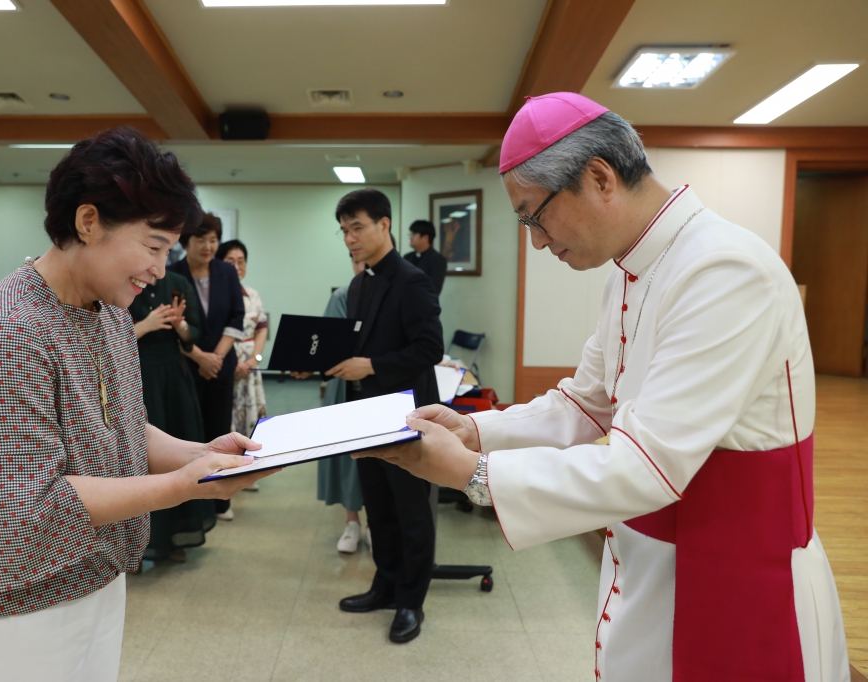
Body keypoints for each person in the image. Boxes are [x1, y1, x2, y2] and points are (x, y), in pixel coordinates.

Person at [358, 93, 849, 681]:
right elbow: (585, 403)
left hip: (736, 570)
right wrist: (473, 428)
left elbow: (649, 466)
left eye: (533, 216)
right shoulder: (628, 269)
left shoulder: (725, 270)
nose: (536, 241)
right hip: (651, 555)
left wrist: (471, 473)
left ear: (598, 177)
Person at [0, 127, 274, 682]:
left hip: (92, 564)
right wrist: (185, 484)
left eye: (167, 250)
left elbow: (121, 426)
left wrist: (201, 452)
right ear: (88, 221)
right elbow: (31, 503)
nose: (158, 268)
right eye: (152, 247)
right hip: (7, 594)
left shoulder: (109, 315)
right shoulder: (9, 328)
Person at [329, 188, 444, 644]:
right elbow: (355, 347)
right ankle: (386, 583)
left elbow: (428, 348)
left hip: (404, 414)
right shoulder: (359, 284)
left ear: (384, 224)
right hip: (365, 413)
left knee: (412, 510)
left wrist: (372, 366)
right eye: (343, 231)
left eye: (356, 228)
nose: (349, 239)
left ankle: (412, 602)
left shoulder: (412, 280)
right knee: (378, 506)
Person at [129, 266, 216, 562]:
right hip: (138, 376)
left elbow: (192, 336)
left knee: (177, 451)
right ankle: (138, 546)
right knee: (139, 458)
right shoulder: (126, 282)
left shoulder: (178, 283)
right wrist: (148, 323)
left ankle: (176, 537)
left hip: (174, 379)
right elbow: (113, 337)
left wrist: (179, 327)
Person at [168, 214, 247, 521]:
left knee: (219, 430)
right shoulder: (171, 273)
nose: (208, 246)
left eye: (213, 240)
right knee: (188, 432)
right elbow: (171, 327)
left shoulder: (226, 272)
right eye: (201, 239)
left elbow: (236, 318)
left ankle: (219, 500)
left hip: (220, 365)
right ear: (186, 241)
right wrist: (199, 357)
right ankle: (191, 501)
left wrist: (215, 358)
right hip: (186, 366)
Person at [316, 255, 369, 553]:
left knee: (381, 456)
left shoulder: (397, 293)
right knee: (348, 456)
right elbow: (328, 344)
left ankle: (377, 522)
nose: (361, 267)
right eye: (356, 261)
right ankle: (352, 521)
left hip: (381, 388)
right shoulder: (342, 296)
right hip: (345, 388)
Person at [216, 239, 268, 492]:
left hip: (251, 368)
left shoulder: (253, 295)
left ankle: (247, 469)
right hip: (225, 363)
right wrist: (234, 362)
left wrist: (253, 361)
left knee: (250, 420)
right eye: (230, 261)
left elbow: (262, 331)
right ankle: (225, 473)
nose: (237, 266)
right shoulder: (218, 294)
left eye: (241, 261)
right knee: (226, 419)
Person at [404, 220, 447, 294]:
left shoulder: (437, 259)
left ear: (425, 238)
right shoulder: (407, 257)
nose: (410, 237)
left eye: (413, 234)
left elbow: (434, 289)